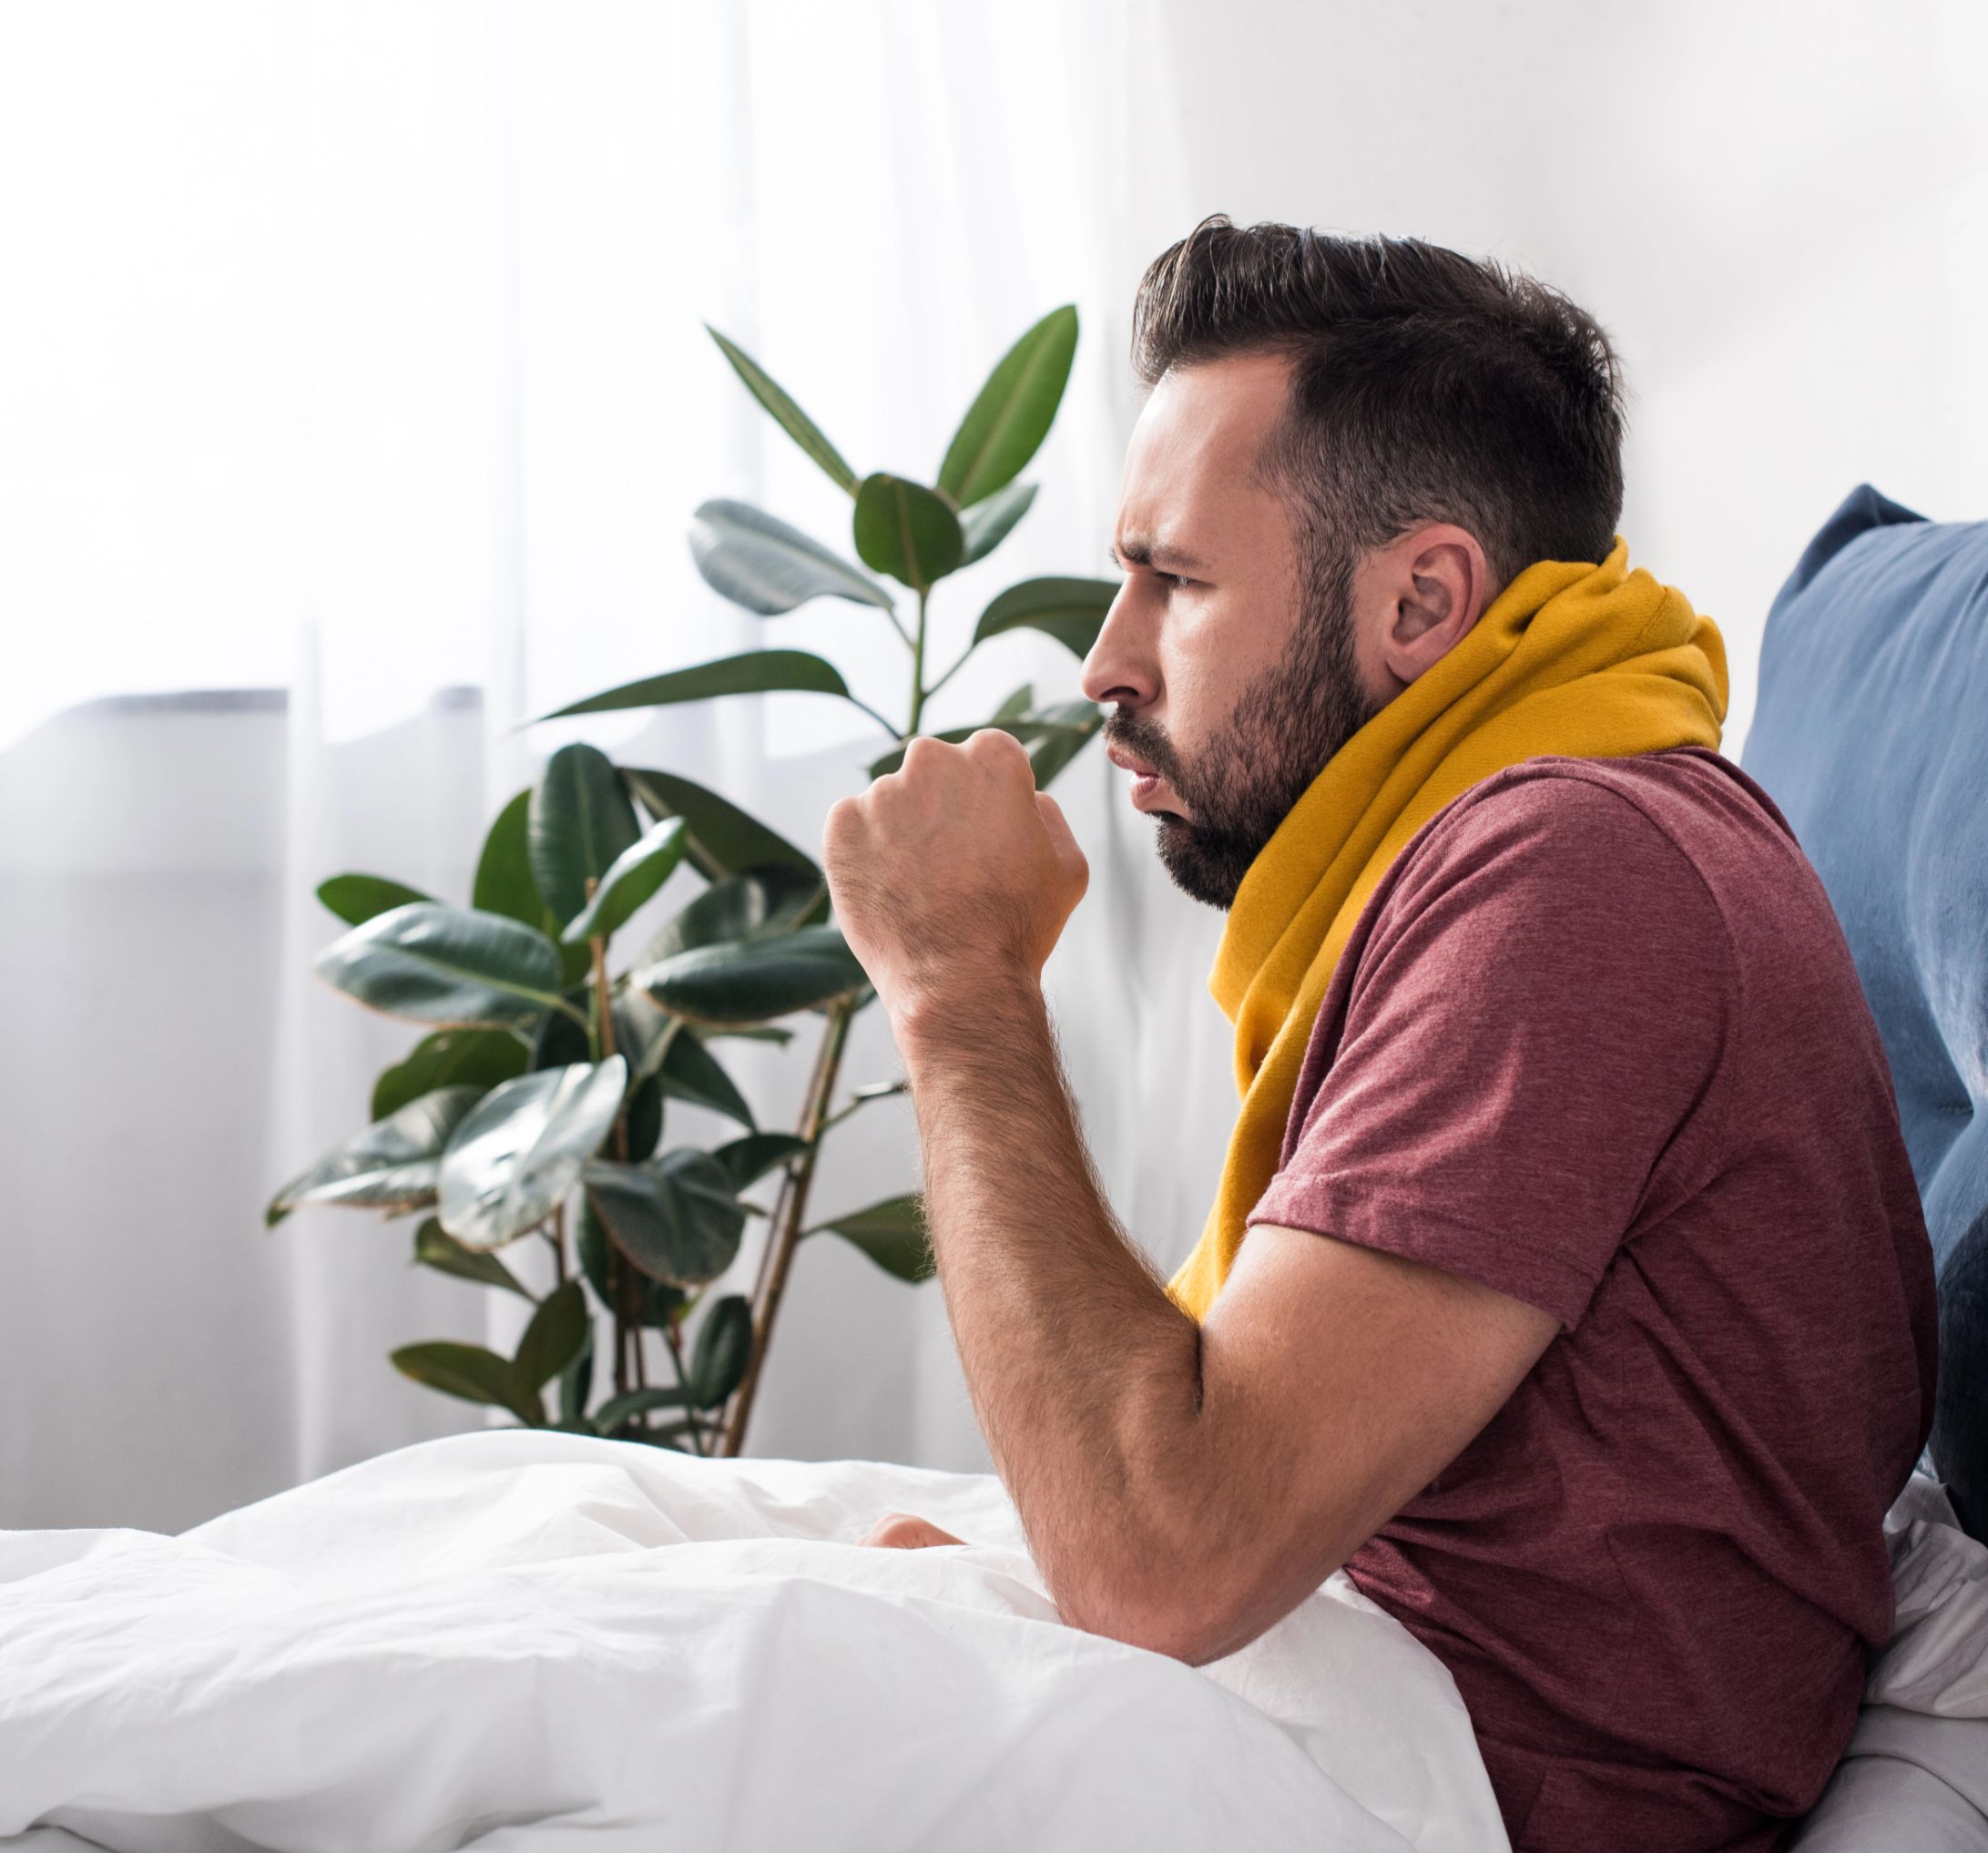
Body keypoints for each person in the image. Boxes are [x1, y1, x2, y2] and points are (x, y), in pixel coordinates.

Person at [821, 216, 1938, 1853]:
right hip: (1344, 1691)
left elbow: (1162, 1558)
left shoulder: (1577, 877)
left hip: (1452, 1784)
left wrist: (957, 986)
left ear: (1423, 598)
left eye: (1176, 583)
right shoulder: (1545, 828)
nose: (1104, 663)